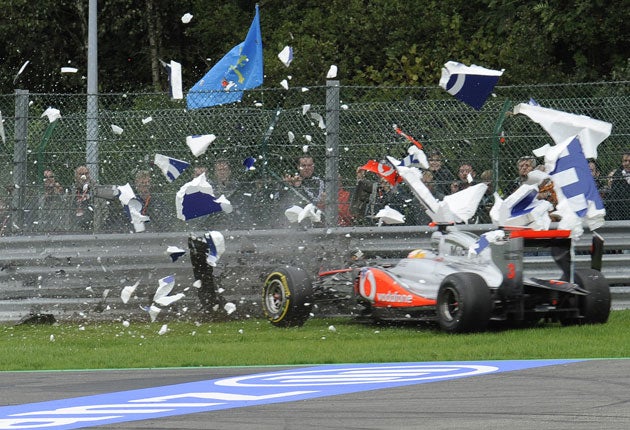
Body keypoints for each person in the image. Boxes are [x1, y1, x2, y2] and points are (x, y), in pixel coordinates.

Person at [606, 151, 630, 221]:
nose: (627, 163)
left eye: (629, 161)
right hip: (621, 211)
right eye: (625, 161)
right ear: (622, 162)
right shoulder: (617, 175)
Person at [74, 165, 94, 231]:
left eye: (86, 173)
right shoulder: (72, 189)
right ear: (76, 176)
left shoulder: (94, 188)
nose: (84, 176)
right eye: (81, 174)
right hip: (75, 221)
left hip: (91, 220)